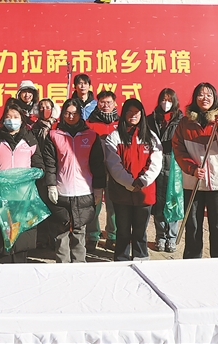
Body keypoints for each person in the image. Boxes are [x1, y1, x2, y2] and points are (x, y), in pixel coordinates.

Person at [173, 82, 218, 259]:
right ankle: (192, 262)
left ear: (215, 98)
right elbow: (178, 149)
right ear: (195, 98)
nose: (205, 98)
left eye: (209, 95)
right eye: (201, 95)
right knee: (193, 226)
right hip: (193, 182)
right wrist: (192, 169)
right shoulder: (185, 123)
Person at [0, 102, 45, 263]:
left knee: (22, 233)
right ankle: (4, 261)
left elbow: (38, 163)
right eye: (8, 117)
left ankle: (20, 262)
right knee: (3, 233)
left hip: (23, 197)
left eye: (15, 117)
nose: (12, 120)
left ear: (22, 120)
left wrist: (38, 171)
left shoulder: (30, 139)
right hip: (2, 196)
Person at [42, 99, 105, 263]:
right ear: (62, 114)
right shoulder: (54, 135)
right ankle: (62, 264)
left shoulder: (91, 136)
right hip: (61, 191)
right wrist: (51, 185)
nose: (71, 116)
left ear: (80, 115)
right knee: (61, 232)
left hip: (84, 191)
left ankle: (79, 265)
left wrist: (98, 188)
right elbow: (50, 163)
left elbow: (97, 164)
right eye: (67, 113)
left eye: (75, 113)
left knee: (79, 231)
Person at [104, 98, 163, 261]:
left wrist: (143, 181)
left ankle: (141, 258)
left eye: (136, 112)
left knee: (140, 230)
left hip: (144, 193)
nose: (133, 115)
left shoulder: (150, 137)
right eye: (129, 111)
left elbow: (156, 162)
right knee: (122, 231)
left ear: (142, 114)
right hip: (122, 193)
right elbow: (113, 164)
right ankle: (121, 260)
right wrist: (129, 183)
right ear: (124, 114)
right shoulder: (115, 137)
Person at [147, 88, 184, 253]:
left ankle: (172, 238)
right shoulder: (151, 119)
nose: (166, 103)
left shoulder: (181, 120)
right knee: (159, 203)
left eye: (169, 100)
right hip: (156, 164)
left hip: (174, 165)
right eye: (163, 99)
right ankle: (160, 237)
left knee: (173, 201)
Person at [84, 90, 120, 251]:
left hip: (115, 171)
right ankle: (93, 235)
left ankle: (112, 236)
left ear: (115, 104)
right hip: (95, 171)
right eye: (102, 102)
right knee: (94, 204)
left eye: (109, 102)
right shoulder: (89, 123)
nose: (106, 105)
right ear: (97, 104)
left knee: (113, 205)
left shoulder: (121, 124)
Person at [30, 97, 61, 248]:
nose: (44, 110)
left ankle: (55, 237)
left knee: (56, 205)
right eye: (41, 107)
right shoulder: (33, 128)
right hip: (39, 171)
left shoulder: (58, 127)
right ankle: (41, 238)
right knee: (41, 205)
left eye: (48, 107)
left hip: (56, 170)